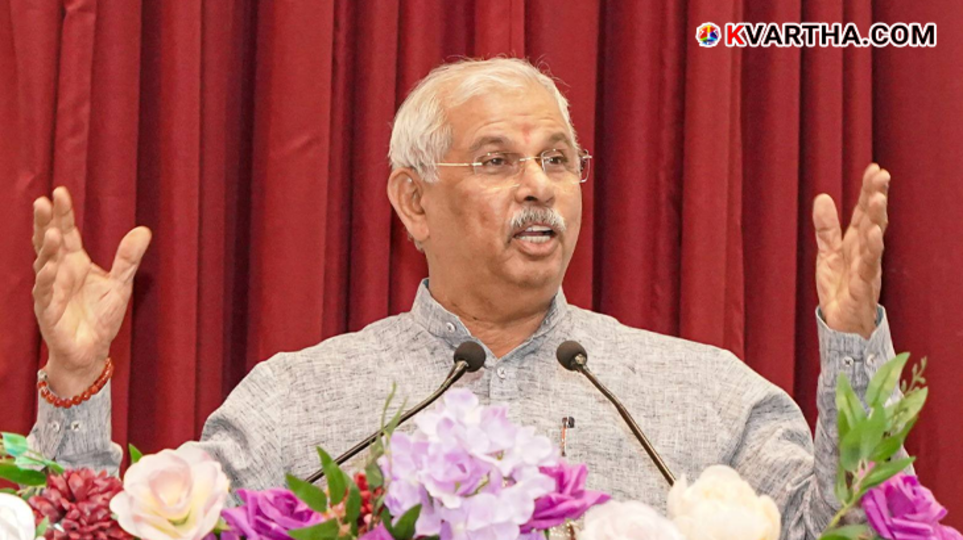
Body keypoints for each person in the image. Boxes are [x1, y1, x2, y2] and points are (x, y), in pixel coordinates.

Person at [28, 58, 894, 540]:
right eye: (496, 161)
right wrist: (75, 384)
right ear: (412, 202)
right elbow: (134, 536)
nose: (538, 188)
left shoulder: (702, 393)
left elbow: (846, 531)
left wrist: (853, 351)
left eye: (558, 161)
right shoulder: (297, 402)